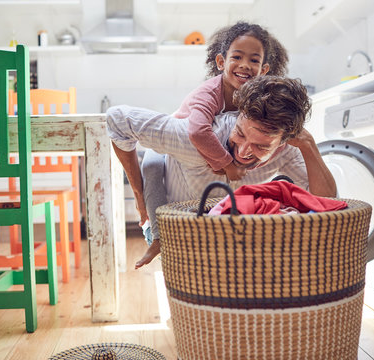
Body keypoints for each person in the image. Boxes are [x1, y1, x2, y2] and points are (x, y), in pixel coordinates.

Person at [107, 76, 337, 268]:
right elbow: (117, 119)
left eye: (262, 146)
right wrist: (140, 199)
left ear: (282, 143)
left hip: (219, 235)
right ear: (239, 116)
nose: (244, 151)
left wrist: (308, 144)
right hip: (171, 226)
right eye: (241, 133)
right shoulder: (194, 139)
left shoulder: (288, 151)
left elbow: (326, 205)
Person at [140, 22, 289, 263]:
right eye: (237, 57)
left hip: (203, 171)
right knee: (151, 168)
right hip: (167, 145)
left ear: (264, 69)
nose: (244, 65)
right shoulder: (211, 91)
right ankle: (157, 236)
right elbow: (198, 130)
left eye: (254, 60)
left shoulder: (255, 98)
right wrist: (227, 164)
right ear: (221, 62)